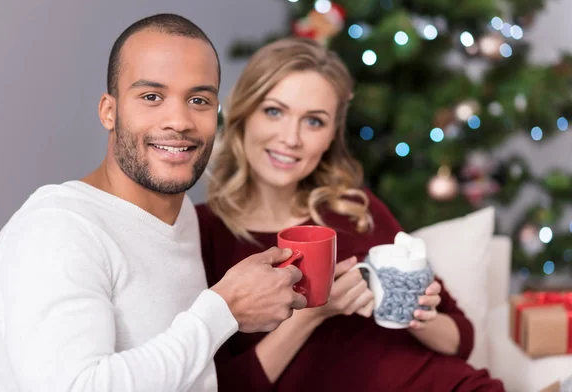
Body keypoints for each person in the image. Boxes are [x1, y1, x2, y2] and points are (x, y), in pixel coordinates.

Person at [0, 14, 307, 392]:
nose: (179, 121)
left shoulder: (179, 213)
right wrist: (223, 310)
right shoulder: (56, 231)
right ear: (109, 111)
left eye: (198, 100)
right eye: (152, 97)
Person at [197, 37, 505, 391]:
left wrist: (410, 311)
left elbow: (460, 339)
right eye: (274, 111)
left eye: (314, 121)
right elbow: (225, 385)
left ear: (330, 137)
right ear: (244, 115)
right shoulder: (204, 232)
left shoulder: (357, 209)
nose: (291, 138)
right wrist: (314, 314)